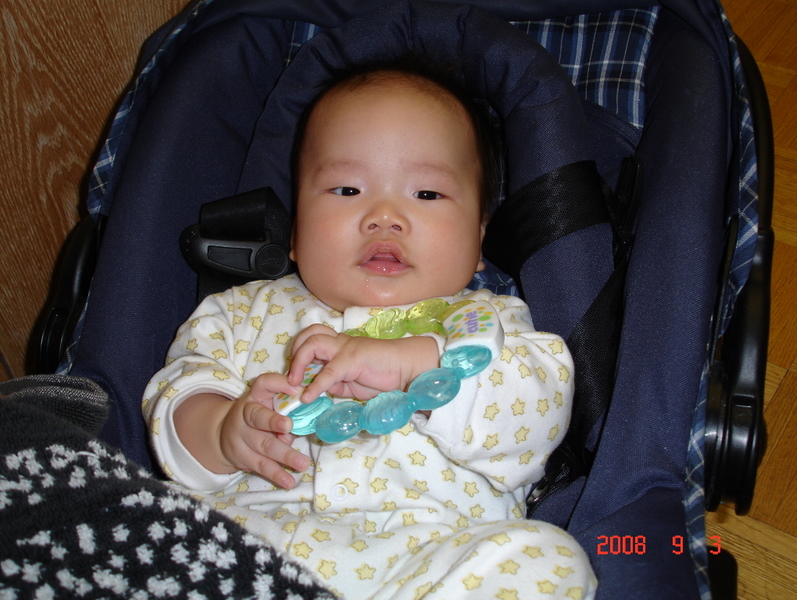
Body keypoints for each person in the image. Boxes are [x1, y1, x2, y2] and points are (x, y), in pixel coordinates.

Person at [143, 65, 597, 599]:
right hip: (252, 548)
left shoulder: (488, 324)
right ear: (295, 231)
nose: (384, 216)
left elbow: (539, 415)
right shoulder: (240, 312)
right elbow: (177, 395)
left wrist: (422, 367)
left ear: (479, 239)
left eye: (426, 193)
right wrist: (221, 430)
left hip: (430, 559)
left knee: (548, 559)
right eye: (347, 189)